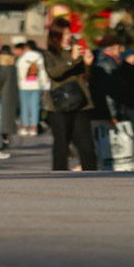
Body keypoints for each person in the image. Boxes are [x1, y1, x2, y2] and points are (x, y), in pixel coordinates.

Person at [42, 18, 98, 172]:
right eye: (65, 32)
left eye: (69, 32)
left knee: (86, 145)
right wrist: (71, 59)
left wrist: (87, 64)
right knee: (61, 144)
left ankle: (92, 175)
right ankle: (59, 176)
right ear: (56, 34)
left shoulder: (76, 49)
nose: (68, 35)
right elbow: (55, 72)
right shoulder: (50, 54)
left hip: (81, 103)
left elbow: (85, 77)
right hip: (60, 104)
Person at [92, 39, 134, 172]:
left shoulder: (99, 60)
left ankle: (101, 164)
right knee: (104, 139)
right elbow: (111, 93)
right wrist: (114, 114)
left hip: (98, 108)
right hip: (107, 110)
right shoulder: (109, 63)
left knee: (99, 140)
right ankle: (105, 164)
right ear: (111, 48)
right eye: (117, 48)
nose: (119, 52)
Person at [15, 39, 47, 138]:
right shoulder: (39, 56)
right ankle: (34, 128)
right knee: (35, 106)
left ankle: (24, 127)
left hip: (24, 85)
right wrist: (43, 84)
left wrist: (19, 82)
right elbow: (43, 71)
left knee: (25, 106)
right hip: (36, 85)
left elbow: (19, 72)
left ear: (26, 47)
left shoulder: (22, 57)